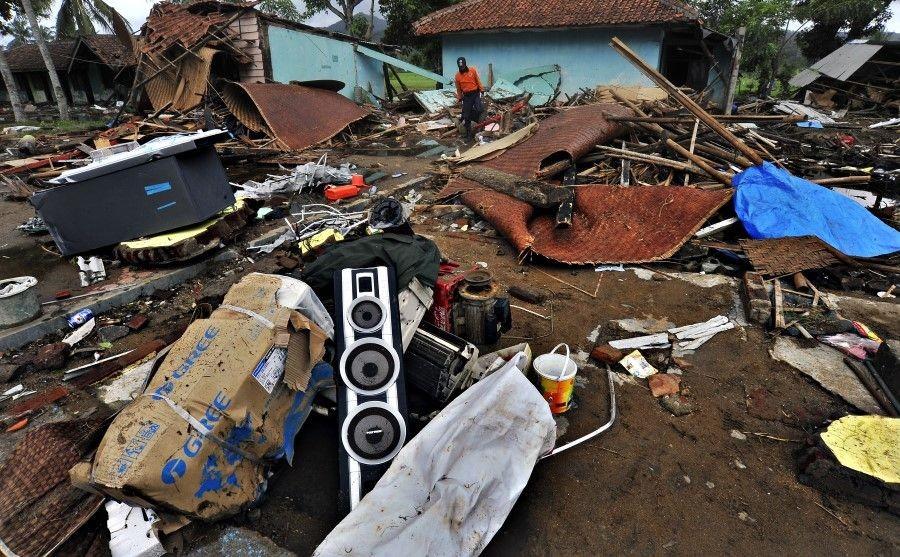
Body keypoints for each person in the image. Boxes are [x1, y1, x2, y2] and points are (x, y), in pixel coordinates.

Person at [454, 57, 484, 138]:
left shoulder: (472, 70)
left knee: (479, 109)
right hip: (466, 96)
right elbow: (458, 89)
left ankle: (476, 118)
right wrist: (460, 97)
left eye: (463, 67)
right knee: (466, 116)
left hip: (475, 93)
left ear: (465, 64)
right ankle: (468, 134)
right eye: (460, 67)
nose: (462, 69)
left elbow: (478, 80)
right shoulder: (457, 76)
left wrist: (482, 89)